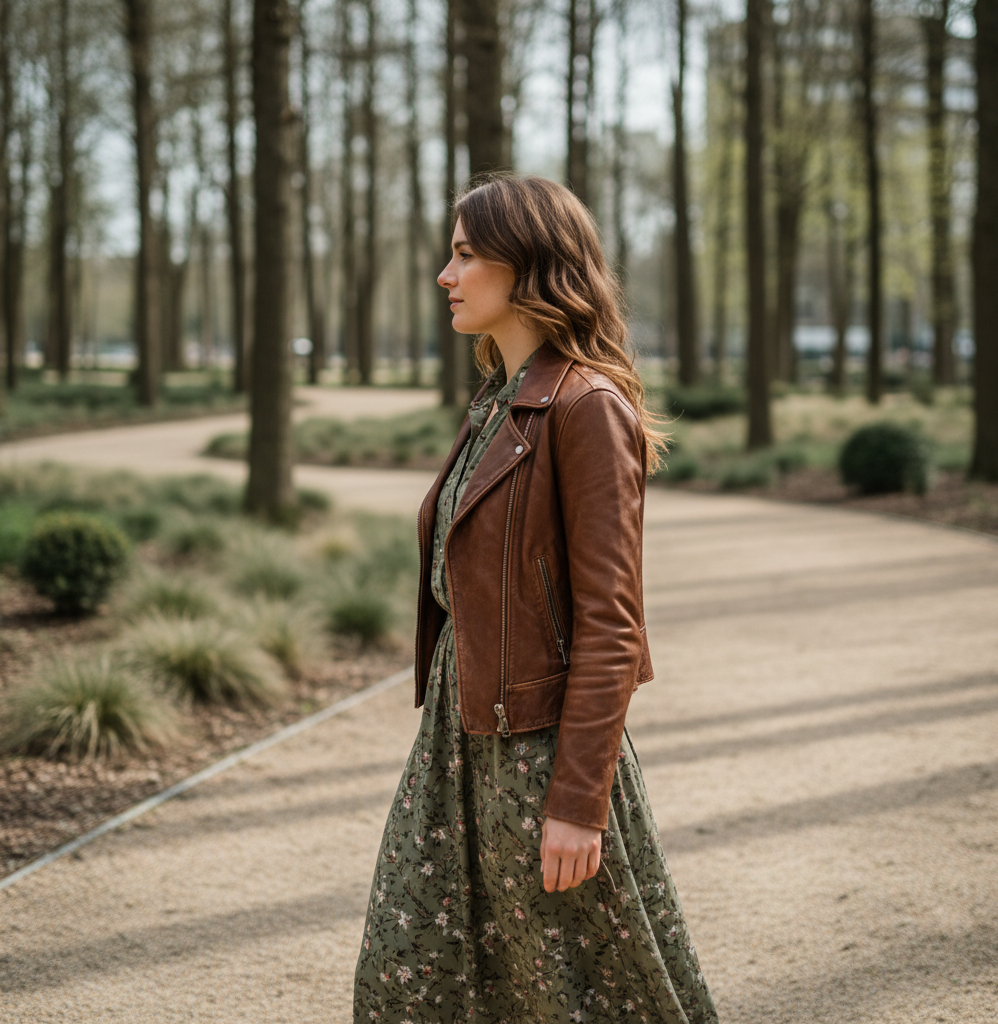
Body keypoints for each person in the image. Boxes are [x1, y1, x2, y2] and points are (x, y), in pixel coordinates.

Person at [353, 175, 718, 1024]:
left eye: (466, 254)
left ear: (530, 268)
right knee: (414, 981)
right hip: (458, 738)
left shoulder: (586, 406)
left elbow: (612, 624)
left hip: (539, 754)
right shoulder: (498, 400)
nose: (446, 273)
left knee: (581, 993)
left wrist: (577, 807)